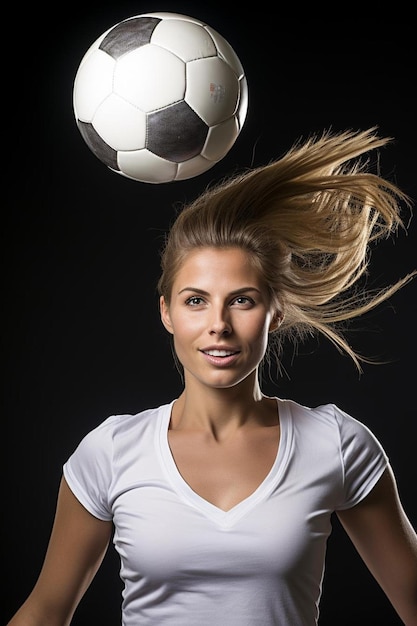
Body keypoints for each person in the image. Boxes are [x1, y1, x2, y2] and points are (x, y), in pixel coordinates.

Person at [8, 128, 417, 626]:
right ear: (167, 313)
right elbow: (46, 612)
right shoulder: (111, 451)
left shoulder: (334, 443)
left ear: (275, 314)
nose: (218, 324)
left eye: (242, 300)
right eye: (195, 300)